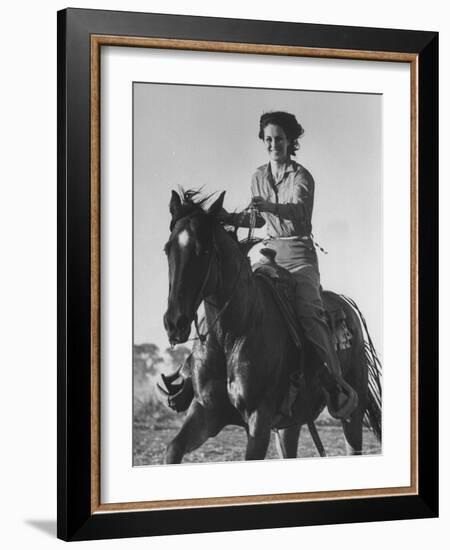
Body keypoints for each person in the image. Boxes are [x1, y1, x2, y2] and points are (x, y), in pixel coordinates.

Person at [224, 111, 358, 420]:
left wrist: (269, 206)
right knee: (239, 296)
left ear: (290, 142)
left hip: (299, 256)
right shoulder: (258, 176)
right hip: (270, 252)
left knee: (309, 312)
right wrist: (230, 218)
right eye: (268, 139)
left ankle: (335, 382)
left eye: (279, 139)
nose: (273, 145)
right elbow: (258, 219)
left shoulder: (302, 176)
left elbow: (299, 213)